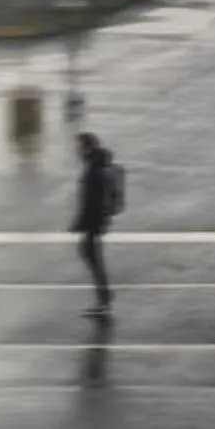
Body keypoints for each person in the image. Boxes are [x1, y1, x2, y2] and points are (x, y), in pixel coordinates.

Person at [73, 130, 120, 319]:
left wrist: (81, 221)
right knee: (90, 255)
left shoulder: (94, 167)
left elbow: (92, 199)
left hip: (94, 221)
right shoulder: (96, 164)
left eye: (78, 145)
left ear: (87, 146)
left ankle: (104, 298)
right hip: (95, 221)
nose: (76, 150)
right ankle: (104, 296)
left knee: (92, 257)